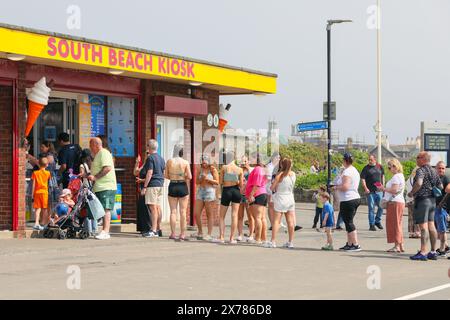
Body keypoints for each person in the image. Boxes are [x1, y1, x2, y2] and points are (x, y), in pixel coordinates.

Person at [408, 151, 443, 261]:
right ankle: (432, 251)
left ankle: (423, 252)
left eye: (418, 157)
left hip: (422, 200)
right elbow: (441, 186)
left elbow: (418, 183)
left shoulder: (421, 170)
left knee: (423, 227)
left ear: (423, 159)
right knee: (431, 225)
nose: (416, 159)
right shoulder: (433, 171)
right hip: (432, 201)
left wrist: (412, 192)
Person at [88, 137, 117, 240]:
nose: (90, 148)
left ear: (96, 144)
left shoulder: (104, 153)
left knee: (106, 209)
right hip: (100, 187)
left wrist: (95, 177)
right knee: (102, 209)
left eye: (91, 145)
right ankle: (104, 231)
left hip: (106, 186)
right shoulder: (98, 155)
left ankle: (105, 231)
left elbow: (107, 168)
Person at [333, 153, 362, 252]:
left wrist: (336, 187)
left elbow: (345, 186)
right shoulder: (353, 170)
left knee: (349, 222)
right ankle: (349, 243)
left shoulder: (347, 172)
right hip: (353, 198)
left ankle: (356, 244)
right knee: (347, 222)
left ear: (345, 161)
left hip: (349, 199)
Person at [377, 159, 406, 253]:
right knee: (398, 224)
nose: (389, 169)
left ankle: (397, 246)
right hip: (399, 201)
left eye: (390, 167)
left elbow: (394, 190)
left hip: (394, 202)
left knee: (394, 224)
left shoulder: (396, 177)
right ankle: (400, 245)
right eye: (388, 167)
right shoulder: (400, 176)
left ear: (395, 166)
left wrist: (383, 188)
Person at [267, 158, 296, 249]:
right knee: (290, 221)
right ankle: (290, 242)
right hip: (290, 197)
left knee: (276, 221)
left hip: (280, 198)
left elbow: (272, 188)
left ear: (282, 165)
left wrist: (271, 185)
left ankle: (273, 241)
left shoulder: (280, 175)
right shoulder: (293, 174)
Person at [215, 151, 243, 244]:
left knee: (222, 216)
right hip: (236, 191)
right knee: (234, 215)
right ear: (234, 158)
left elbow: (221, 182)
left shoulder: (224, 167)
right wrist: (236, 181)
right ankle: (231, 238)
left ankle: (222, 237)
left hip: (227, 191)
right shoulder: (239, 169)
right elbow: (241, 184)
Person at [165, 145, 192, 241]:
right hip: (182, 186)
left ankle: (173, 233)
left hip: (172, 185)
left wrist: (174, 176)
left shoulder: (169, 161)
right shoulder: (185, 162)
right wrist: (182, 175)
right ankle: (182, 234)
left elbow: (166, 175)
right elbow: (189, 176)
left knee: (173, 211)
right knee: (183, 212)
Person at [141, 139, 166, 238]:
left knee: (153, 208)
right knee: (158, 207)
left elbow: (149, 172)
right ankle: (159, 229)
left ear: (149, 147)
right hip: (160, 184)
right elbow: (163, 173)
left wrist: (145, 186)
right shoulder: (161, 158)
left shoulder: (150, 158)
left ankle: (153, 230)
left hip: (152, 185)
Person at [27, 141, 59, 208]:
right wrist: (31, 160)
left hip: (47, 179)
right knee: (42, 201)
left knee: (48, 200)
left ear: (48, 147)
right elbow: (38, 166)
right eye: (41, 147)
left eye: (43, 147)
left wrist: (34, 160)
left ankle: (47, 216)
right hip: (42, 178)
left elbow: (45, 167)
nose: (41, 148)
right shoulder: (44, 155)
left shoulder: (50, 155)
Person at [194, 155, 219, 241]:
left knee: (209, 214)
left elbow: (217, 182)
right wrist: (202, 179)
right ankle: (200, 232)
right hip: (200, 191)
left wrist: (208, 179)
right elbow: (197, 182)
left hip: (210, 191)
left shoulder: (213, 170)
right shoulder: (200, 169)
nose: (203, 163)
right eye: (202, 161)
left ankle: (209, 234)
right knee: (196, 213)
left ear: (208, 162)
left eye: (205, 161)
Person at [245, 154, 268, 245]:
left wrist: (251, 195)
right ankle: (263, 238)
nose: (250, 160)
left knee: (258, 218)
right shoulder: (262, 169)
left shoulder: (258, 169)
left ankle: (258, 238)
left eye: (251, 158)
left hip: (257, 194)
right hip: (261, 194)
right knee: (262, 218)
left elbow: (257, 184)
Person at [361, 154, 385, 231]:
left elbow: (382, 176)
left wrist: (383, 186)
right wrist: (365, 188)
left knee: (381, 206)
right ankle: (371, 224)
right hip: (370, 191)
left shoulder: (379, 166)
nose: (370, 161)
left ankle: (377, 221)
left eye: (371, 159)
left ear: (375, 159)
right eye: (369, 159)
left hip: (379, 191)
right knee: (371, 208)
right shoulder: (366, 168)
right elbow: (363, 179)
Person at [79, 149, 97, 237]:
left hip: (86, 189)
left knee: (87, 210)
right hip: (93, 189)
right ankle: (94, 230)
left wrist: (78, 175)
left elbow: (82, 174)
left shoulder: (82, 165)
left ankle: (88, 230)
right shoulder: (93, 164)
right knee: (94, 210)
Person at [134, 152, 152, 237]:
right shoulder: (144, 164)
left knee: (147, 209)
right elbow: (135, 173)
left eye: (149, 153)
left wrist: (141, 181)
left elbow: (151, 177)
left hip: (148, 188)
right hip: (141, 189)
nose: (147, 155)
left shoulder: (150, 165)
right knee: (141, 208)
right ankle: (142, 228)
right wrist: (137, 163)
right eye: (146, 153)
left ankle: (148, 227)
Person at [31, 157, 51, 231]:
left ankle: (36, 223)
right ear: (47, 165)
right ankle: (44, 223)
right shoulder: (48, 173)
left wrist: (32, 194)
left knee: (38, 208)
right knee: (45, 208)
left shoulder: (35, 173)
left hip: (37, 192)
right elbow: (49, 184)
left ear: (39, 164)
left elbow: (33, 184)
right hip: (45, 192)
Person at [434, 161, 449, 257]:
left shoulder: (446, 178)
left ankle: (442, 249)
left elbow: (448, 191)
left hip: (441, 208)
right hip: (434, 207)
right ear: (436, 168)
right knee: (439, 230)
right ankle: (446, 246)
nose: (441, 170)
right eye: (439, 168)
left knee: (442, 230)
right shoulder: (435, 178)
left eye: (443, 168)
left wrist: (441, 204)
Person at [237, 156, 253, 241]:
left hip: (248, 194)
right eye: (242, 161)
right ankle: (240, 234)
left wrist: (248, 168)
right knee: (240, 216)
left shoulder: (251, 170)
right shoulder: (239, 170)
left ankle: (251, 235)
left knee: (250, 216)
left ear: (248, 161)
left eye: (245, 161)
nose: (244, 163)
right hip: (240, 194)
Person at [266, 152, 281, 231]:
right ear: (272, 158)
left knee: (276, 206)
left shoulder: (278, 167)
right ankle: (273, 224)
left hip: (276, 189)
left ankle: (276, 222)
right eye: (277, 158)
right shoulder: (269, 166)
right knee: (271, 206)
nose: (278, 159)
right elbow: (268, 179)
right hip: (269, 189)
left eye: (279, 158)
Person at [405, 167, 421, 238]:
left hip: (409, 199)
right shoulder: (417, 180)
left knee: (410, 217)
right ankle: (417, 231)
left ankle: (411, 232)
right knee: (417, 216)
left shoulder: (409, 179)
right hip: (416, 199)